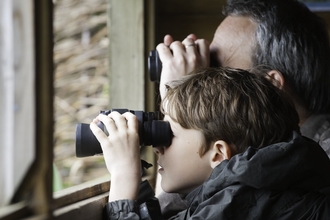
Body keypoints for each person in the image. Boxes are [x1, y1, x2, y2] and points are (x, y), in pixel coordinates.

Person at [91, 67, 330, 219]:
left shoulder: (232, 207)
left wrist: (123, 176)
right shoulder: (259, 193)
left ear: (218, 154)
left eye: (169, 136)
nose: (156, 147)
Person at [156, 0, 330, 156]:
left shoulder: (319, 162)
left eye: (219, 69)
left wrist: (178, 102)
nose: (206, 81)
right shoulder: (252, 151)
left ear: (271, 86)